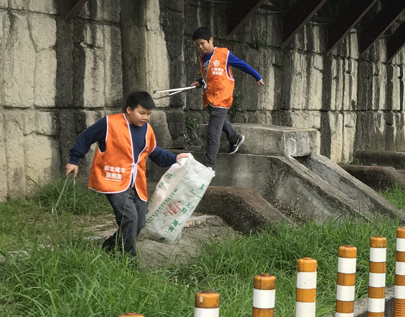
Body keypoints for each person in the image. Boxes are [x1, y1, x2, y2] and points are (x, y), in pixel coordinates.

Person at [65, 92, 190, 259]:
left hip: (136, 183)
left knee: (139, 223)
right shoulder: (109, 123)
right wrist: (74, 159)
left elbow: (154, 152)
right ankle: (129, 262)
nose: (145, 117)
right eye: (142, 113)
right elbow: (86, 137)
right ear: (129, 110)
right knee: (129, 219)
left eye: (148, 114)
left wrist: (175, 158)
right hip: (113, 180)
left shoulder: (147, 130)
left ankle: (107, 248)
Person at [190, 27, 265, 168]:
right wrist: (199, 82)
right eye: (197, 45)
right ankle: (235, 138)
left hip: (222, 98)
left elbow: (242, 65)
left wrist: (257, 76)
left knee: (213, 133)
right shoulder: (202, 58)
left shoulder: (224, 54)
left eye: (202, 43)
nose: (200, 47)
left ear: (210, 40)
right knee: (219, 121)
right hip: (211, 97)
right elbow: (209, 76)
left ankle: (207, 166)